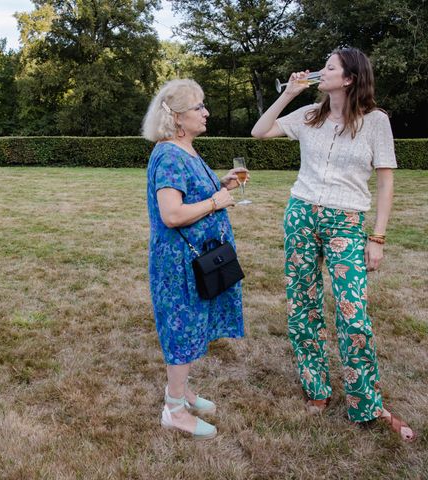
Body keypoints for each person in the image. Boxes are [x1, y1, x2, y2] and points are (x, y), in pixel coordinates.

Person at [251, 47, 415, 442]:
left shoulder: (376, 122)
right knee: (302, 305)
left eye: (329, 68)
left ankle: (366, 401)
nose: (320, 73)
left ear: (349, 79)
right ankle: (316, 388)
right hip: (302, 214)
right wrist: (288, 93)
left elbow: (386, 179)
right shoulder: (309, 115)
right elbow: (260, 131)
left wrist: (377, 236)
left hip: (347, 220)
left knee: (352, 314)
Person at [143, 79, 246, 440]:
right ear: (177, 118)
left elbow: (191, 193)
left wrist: (222, 185)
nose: (206, 113)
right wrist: (218, 202)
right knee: (182, 331)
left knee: (193, 327)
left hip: (198, 259)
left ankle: (184, 393)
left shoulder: (186, 150)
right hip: (179, 265)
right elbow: (172, 214)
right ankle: (173, 409)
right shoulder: (170, 154)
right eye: (199, 107)